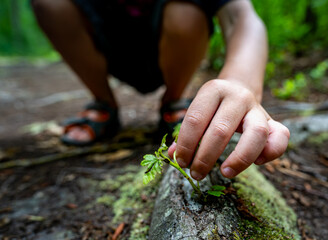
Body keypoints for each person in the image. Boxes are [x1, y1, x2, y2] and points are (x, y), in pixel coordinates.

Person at [31, 0, 290, 180]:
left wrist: (240, 84)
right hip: (106, 45)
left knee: (186, 9)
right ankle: (103, 102)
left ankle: (174, 101)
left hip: (176, 45)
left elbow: (241, 17)